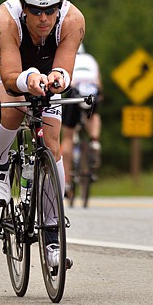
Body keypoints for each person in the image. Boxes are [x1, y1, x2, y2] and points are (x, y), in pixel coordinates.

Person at [0, 0, 85, 267]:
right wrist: (30, 80)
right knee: (12, 109)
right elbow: (11, 77)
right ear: (23, 8)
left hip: (44, 69)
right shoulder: (5, 20)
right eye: (35, 11)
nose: (43, 19)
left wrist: (58, 80)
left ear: (60, 6)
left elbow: (64, 68)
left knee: (52, 143)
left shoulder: (73, 21)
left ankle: (53, 237)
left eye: (50, 10)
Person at [61, 43, 102, 197]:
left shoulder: (68, 58)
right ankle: (94, 140)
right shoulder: (91, 60)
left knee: (67, 136)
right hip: (92, 89)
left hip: (75, 91)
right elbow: (99, 83)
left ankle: (66, 183)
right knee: (94, 115)